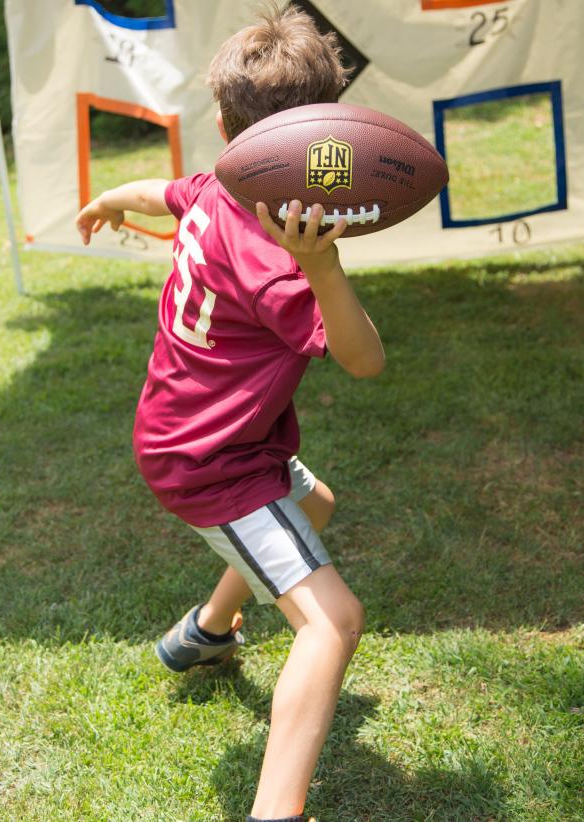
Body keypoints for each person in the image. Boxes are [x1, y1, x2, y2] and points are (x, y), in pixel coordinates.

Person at [76, 5, 385, 820]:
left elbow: (168, 190)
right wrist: (322, 269)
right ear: (328, 133)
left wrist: (111, 196)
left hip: (201, 435)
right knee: (333, 623)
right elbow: (365, 360)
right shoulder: (279, 264)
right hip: (211, 460)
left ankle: (207, 632)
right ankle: (275, 811)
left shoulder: (219, 184)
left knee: (314, 503)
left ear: (223, 124)